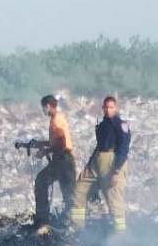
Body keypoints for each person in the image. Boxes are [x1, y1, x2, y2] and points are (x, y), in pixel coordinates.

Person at [70, 96, 131, 233]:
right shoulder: (102, 125)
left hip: (112, 162)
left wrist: (116, 172)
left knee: (114, 200)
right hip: (97, 161)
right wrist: (89, 166)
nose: (108, 110)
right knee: (79, 190)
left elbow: (123, 149)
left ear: (116, 108)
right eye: (106, 107)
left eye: (111, 107)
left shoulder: (121, 125)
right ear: (103, 108)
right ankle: (77, 229)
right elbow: (99, 146)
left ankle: (120, 234)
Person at [33, 95, 79, 232]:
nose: (43, 110)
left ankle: (45, 219)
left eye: (43, 107)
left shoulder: (56, 121)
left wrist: (45, 152)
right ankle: (69, 222)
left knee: (63, 189)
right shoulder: (58, 118)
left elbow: (61, 143)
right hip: (62, 160)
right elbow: (56, 141)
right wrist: (41, 144)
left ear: (47, 106)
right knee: (65, 190)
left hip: (63, 161)